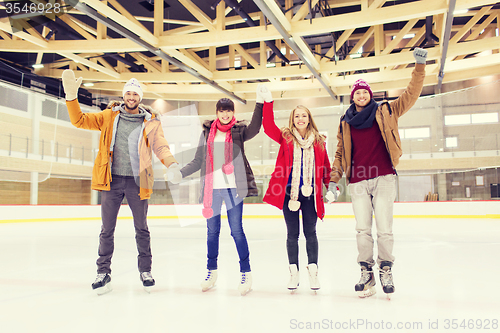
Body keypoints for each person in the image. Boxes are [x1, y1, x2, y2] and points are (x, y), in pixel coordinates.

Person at [61, 70, 182, 295]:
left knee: (142, 229)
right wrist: (71, 97)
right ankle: (102, 272)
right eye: (128, 93)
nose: (131, 97)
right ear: (124, 95)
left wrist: (172, 164)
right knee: (107, 229)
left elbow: (161, 146)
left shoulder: (151, 122)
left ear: (140, 97)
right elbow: (79, 120)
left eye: (135, 94)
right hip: (112, 180)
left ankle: (146, 271)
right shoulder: (108, 116)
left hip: (138, 182)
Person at [329, 48, 428, 299]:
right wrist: (333, 180)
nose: (361, 95)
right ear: (353, 97)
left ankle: (386, 269)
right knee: (362, 229)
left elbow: (411, 95)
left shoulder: (385, 111)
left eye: (364, 91)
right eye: (357, 92)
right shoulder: (345, 122)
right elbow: (340, 153)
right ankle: (366, 272)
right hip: (358, 181)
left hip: (383, 176)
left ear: (369, 95)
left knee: (384, 229)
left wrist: (419, 67)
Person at [172, 92, 263, 296]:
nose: (225, 114)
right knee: (212, 233)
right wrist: (180, 173)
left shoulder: (239, 131)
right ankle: (211, 272)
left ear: (233, 112)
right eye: (222, 111)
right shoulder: (207, 134)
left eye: (228, 110)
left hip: (233, 189)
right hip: (211, 190)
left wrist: (259, 104)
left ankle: (246, 273)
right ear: (217, 113)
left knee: (237, 231)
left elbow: (256, 128)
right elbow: (197, 161)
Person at [260, 84, 333, 291]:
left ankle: (313, 273)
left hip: (310, 196)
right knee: (292, 235)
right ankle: (294, 274)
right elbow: (268, 126)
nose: (300, 119)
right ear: (292, 119)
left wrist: (331, 187)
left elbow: (326, 168)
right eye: (296, 116)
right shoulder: (286, 138)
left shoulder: (319, 141)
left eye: (304, 116)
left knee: (311, 233)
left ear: (309, 119)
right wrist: (268, 102)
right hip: (288, 195)